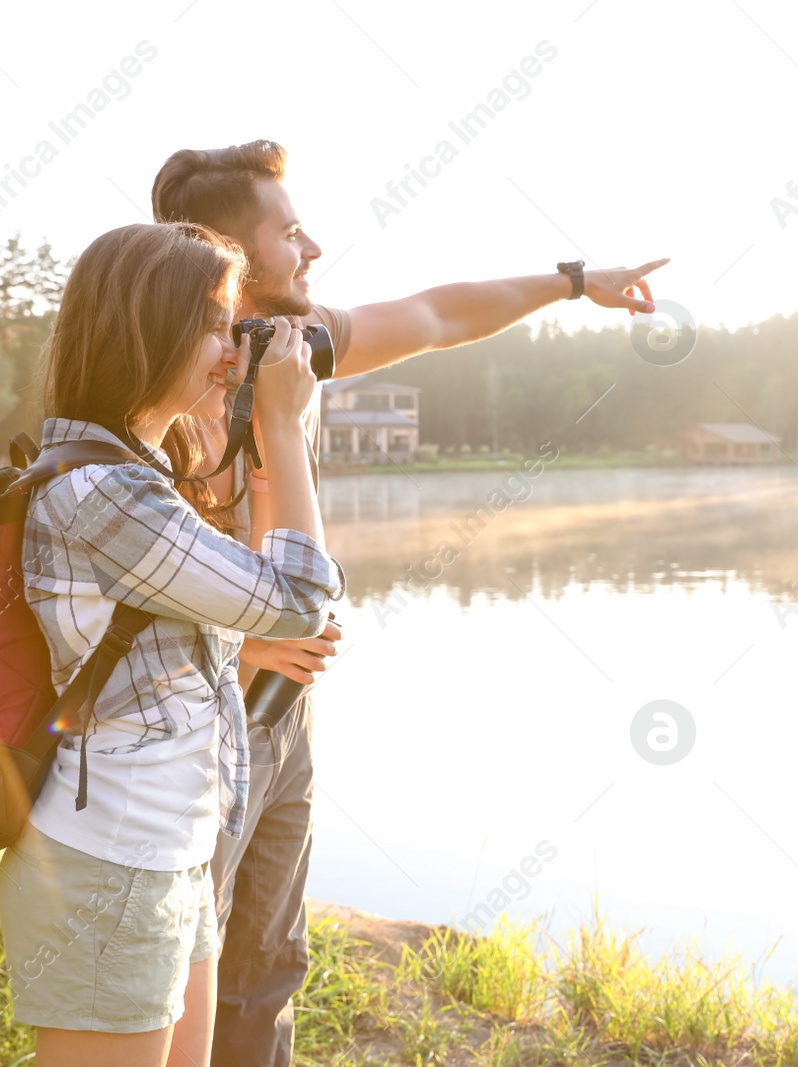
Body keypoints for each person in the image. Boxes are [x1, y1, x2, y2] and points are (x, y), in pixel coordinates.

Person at [150, 140, 667, 1067]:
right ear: (225, 247)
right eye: (290, 232)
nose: (312, 248)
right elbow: (106, 566)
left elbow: (436, 314)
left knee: (267, 967)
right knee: (183, 960)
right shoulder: (164, 378)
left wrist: (576, 280)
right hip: (197, 717)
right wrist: (240, 649)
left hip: (287, 710)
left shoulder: (297, 344)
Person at [0, 220, 344, 1067]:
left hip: (171, 856)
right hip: (110, 865)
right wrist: (286, 428)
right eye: (222, 324)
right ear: (157, 330)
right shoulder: (104, 491)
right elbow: (298, 598)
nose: (235, 348)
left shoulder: (136, 472)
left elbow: (209, 629)